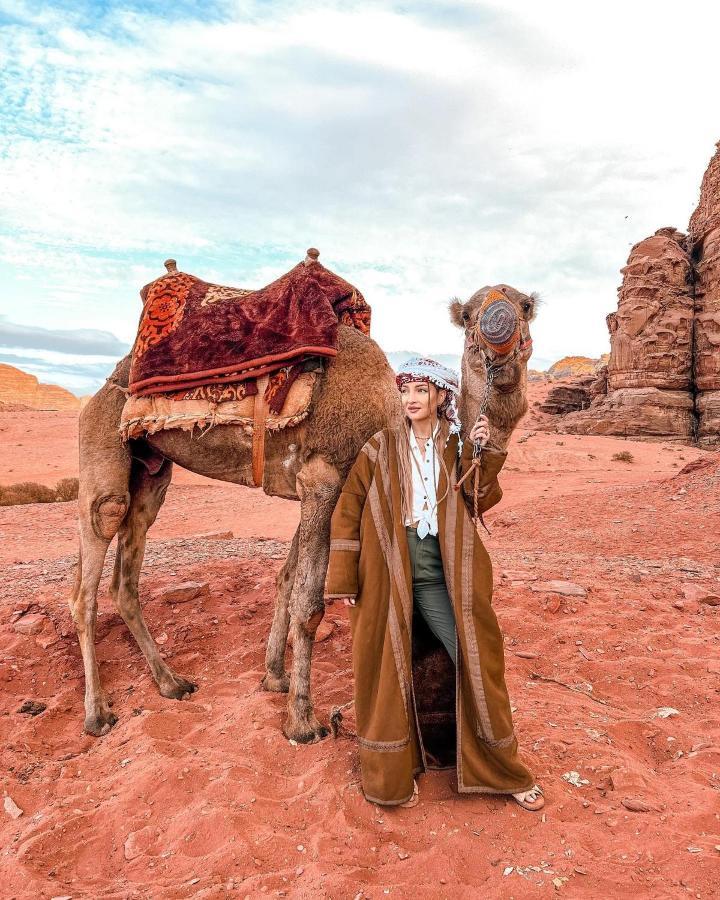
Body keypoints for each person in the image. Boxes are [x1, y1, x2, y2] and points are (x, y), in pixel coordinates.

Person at [324, 356, 543, 811]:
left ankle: (502, 769)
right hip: (389, 569)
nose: (411, 399)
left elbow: (481, 497)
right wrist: (344, 576)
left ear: (441, 396)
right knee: (386, 667)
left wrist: (487, 450)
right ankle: (393, 775)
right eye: (405, 391)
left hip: (442, 571)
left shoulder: (455, 445)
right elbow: (348, 508)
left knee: (475, 655)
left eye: (421, 390)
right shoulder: (379, 447)